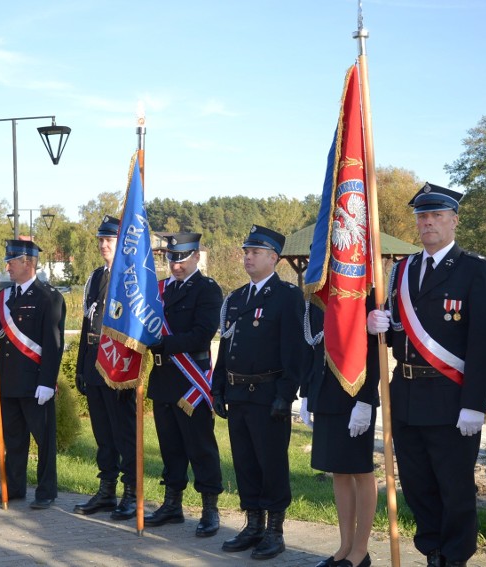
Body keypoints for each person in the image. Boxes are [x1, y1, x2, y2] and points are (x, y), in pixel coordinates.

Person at [366, 183, 486, 567]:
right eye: (422, 217)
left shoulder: (476, 269)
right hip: (406, 394)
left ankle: (455, 558)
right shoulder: (401, 270)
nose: (427, 223)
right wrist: (379, 324)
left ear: (454, 221)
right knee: (417, 485)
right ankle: (433, 553)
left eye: (436, 216)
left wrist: (475, 404)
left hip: (451, 396)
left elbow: (485, 341)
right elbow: (397, 335)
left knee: (454, 488)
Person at [211, 225, 306, 561]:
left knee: (271, 464)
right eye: (246, 251)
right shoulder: (236, 298)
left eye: (255, 252)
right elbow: (226, 347)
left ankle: (274, 531)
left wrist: (285, 393)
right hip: (238, 394)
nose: (247, 257)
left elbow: (294, 351)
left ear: (273, 258)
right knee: (245, 463)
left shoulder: (287, 296)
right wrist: (217, 387)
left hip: (268, 395)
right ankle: (252, 525)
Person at [144, 232, 224, 537]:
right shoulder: (160, 290)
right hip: (164, 379)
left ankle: (209, 509)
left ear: (195, 257)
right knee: (170, 447)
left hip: (191, 382)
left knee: (200, 447)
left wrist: (162, 343)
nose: (175, 264)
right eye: (171, 258)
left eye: (181, 258)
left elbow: (202, 335)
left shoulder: (207, 290)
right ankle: (172, 504)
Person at [0, 239, 66, 510]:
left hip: (35, 384)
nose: (7, 266)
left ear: (28, 263)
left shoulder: (49, 297)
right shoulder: (3, 297)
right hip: (9, 382)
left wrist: (47, 382)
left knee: (44, 441)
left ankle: (46, 491)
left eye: (12, 261)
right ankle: (14, 489)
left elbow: (53, 344)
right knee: (14, 441)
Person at [302, 301, 379, 567]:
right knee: (339, 470)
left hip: (354, 395)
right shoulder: (319, 294)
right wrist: (306, 395)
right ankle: (345, 546)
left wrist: (367, 399)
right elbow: (312, 347)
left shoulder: (362, 291)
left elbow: (373, 351)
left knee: (360, 470)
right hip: (325, 394)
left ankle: (360, 550)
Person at [72, 216, 138, 520]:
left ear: (122, 243)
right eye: (100, 240)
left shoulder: (130, 278)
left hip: (118, 368)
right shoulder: (96, 277)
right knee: (103, 436)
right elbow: (88, 322)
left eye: (109, 240)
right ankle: (107, 491)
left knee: (124, 434)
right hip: (95, 365)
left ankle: (131, 493)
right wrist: (81, 367)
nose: (103, 245)